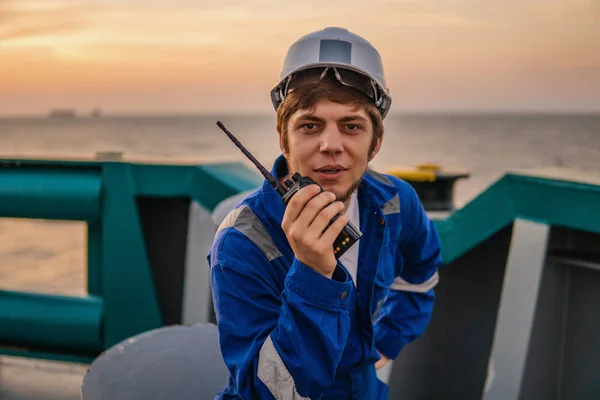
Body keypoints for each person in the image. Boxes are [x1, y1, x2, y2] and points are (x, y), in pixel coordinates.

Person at [208, 26, 442, 399]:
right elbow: (264, 392)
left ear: (375, 142)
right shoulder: (242, 242)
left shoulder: (397, 202)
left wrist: (386, 341)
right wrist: (314, 272)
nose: (331, 145)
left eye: (351, 126)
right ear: (284, 140)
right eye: (310, 125)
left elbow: (421, 272)